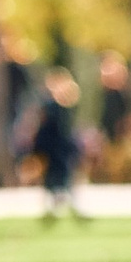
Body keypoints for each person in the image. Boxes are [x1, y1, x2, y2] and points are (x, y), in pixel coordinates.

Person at [31, 66, 84, 221]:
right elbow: (45, 129)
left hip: (62, 147)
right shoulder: (49, 106)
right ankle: (53, 207)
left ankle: (66, 206)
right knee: (54, 177)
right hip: (52, 146)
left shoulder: (65, 107)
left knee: (65, 177)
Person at [92, 50, 131, 183]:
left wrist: (128, 128)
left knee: (117, 157)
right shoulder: (104, 94)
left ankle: (118, 178)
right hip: (107, 129)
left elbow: (128, 113)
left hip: (118, 130)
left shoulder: (123, 93)